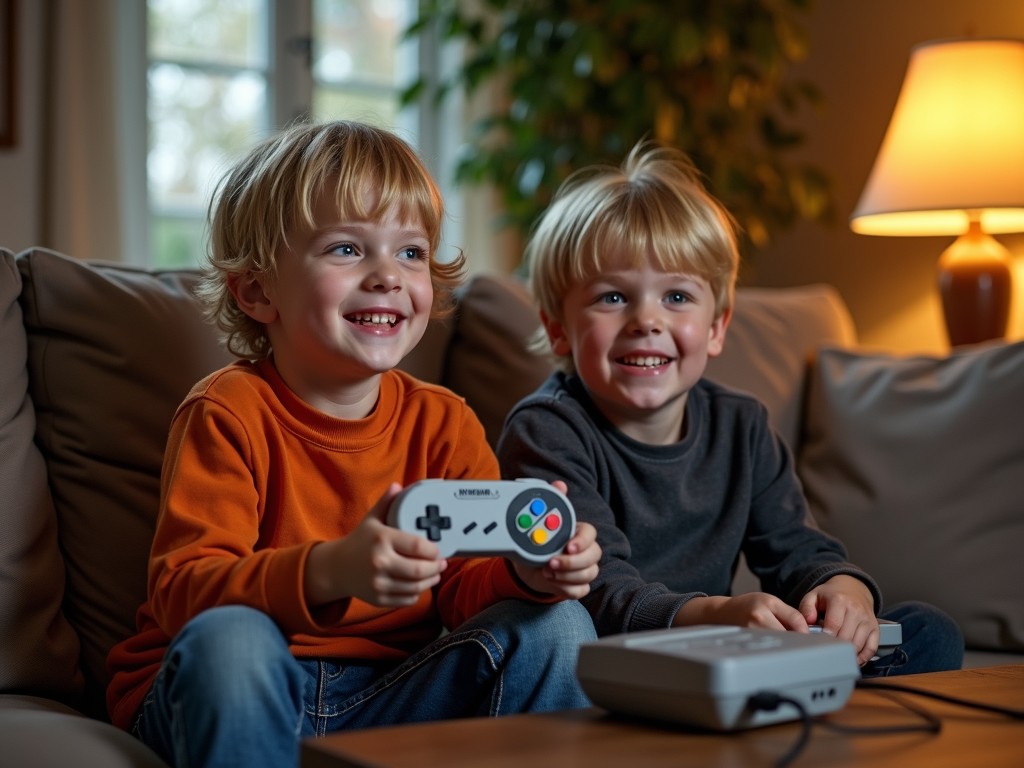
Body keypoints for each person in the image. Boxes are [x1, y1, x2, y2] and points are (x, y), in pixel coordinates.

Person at [106, 120, 601, 768]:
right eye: (347, 250)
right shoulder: (227, 411)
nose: (387, 276)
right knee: (233, 641)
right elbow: (184, 590)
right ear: (257, 291)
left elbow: (462, 585)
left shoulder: (444, 422)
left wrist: (525, 574)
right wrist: (331, 569)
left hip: (387, 699)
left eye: (411, 252)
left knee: (559, 625)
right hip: (239, 689)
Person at [496, 140, 963, 677]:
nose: (646, 320)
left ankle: (797, 688)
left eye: (676, 297)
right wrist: (718, 617)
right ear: (557, 327)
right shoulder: (547, 430)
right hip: (610, 659)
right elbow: (600, 593)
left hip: (727, 652)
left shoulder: (742, 426)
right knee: (562, 637)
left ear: (717, 327)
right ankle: (788, 694)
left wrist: (843, 591)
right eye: (612, 297)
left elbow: (798, 551)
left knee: (928, 629)